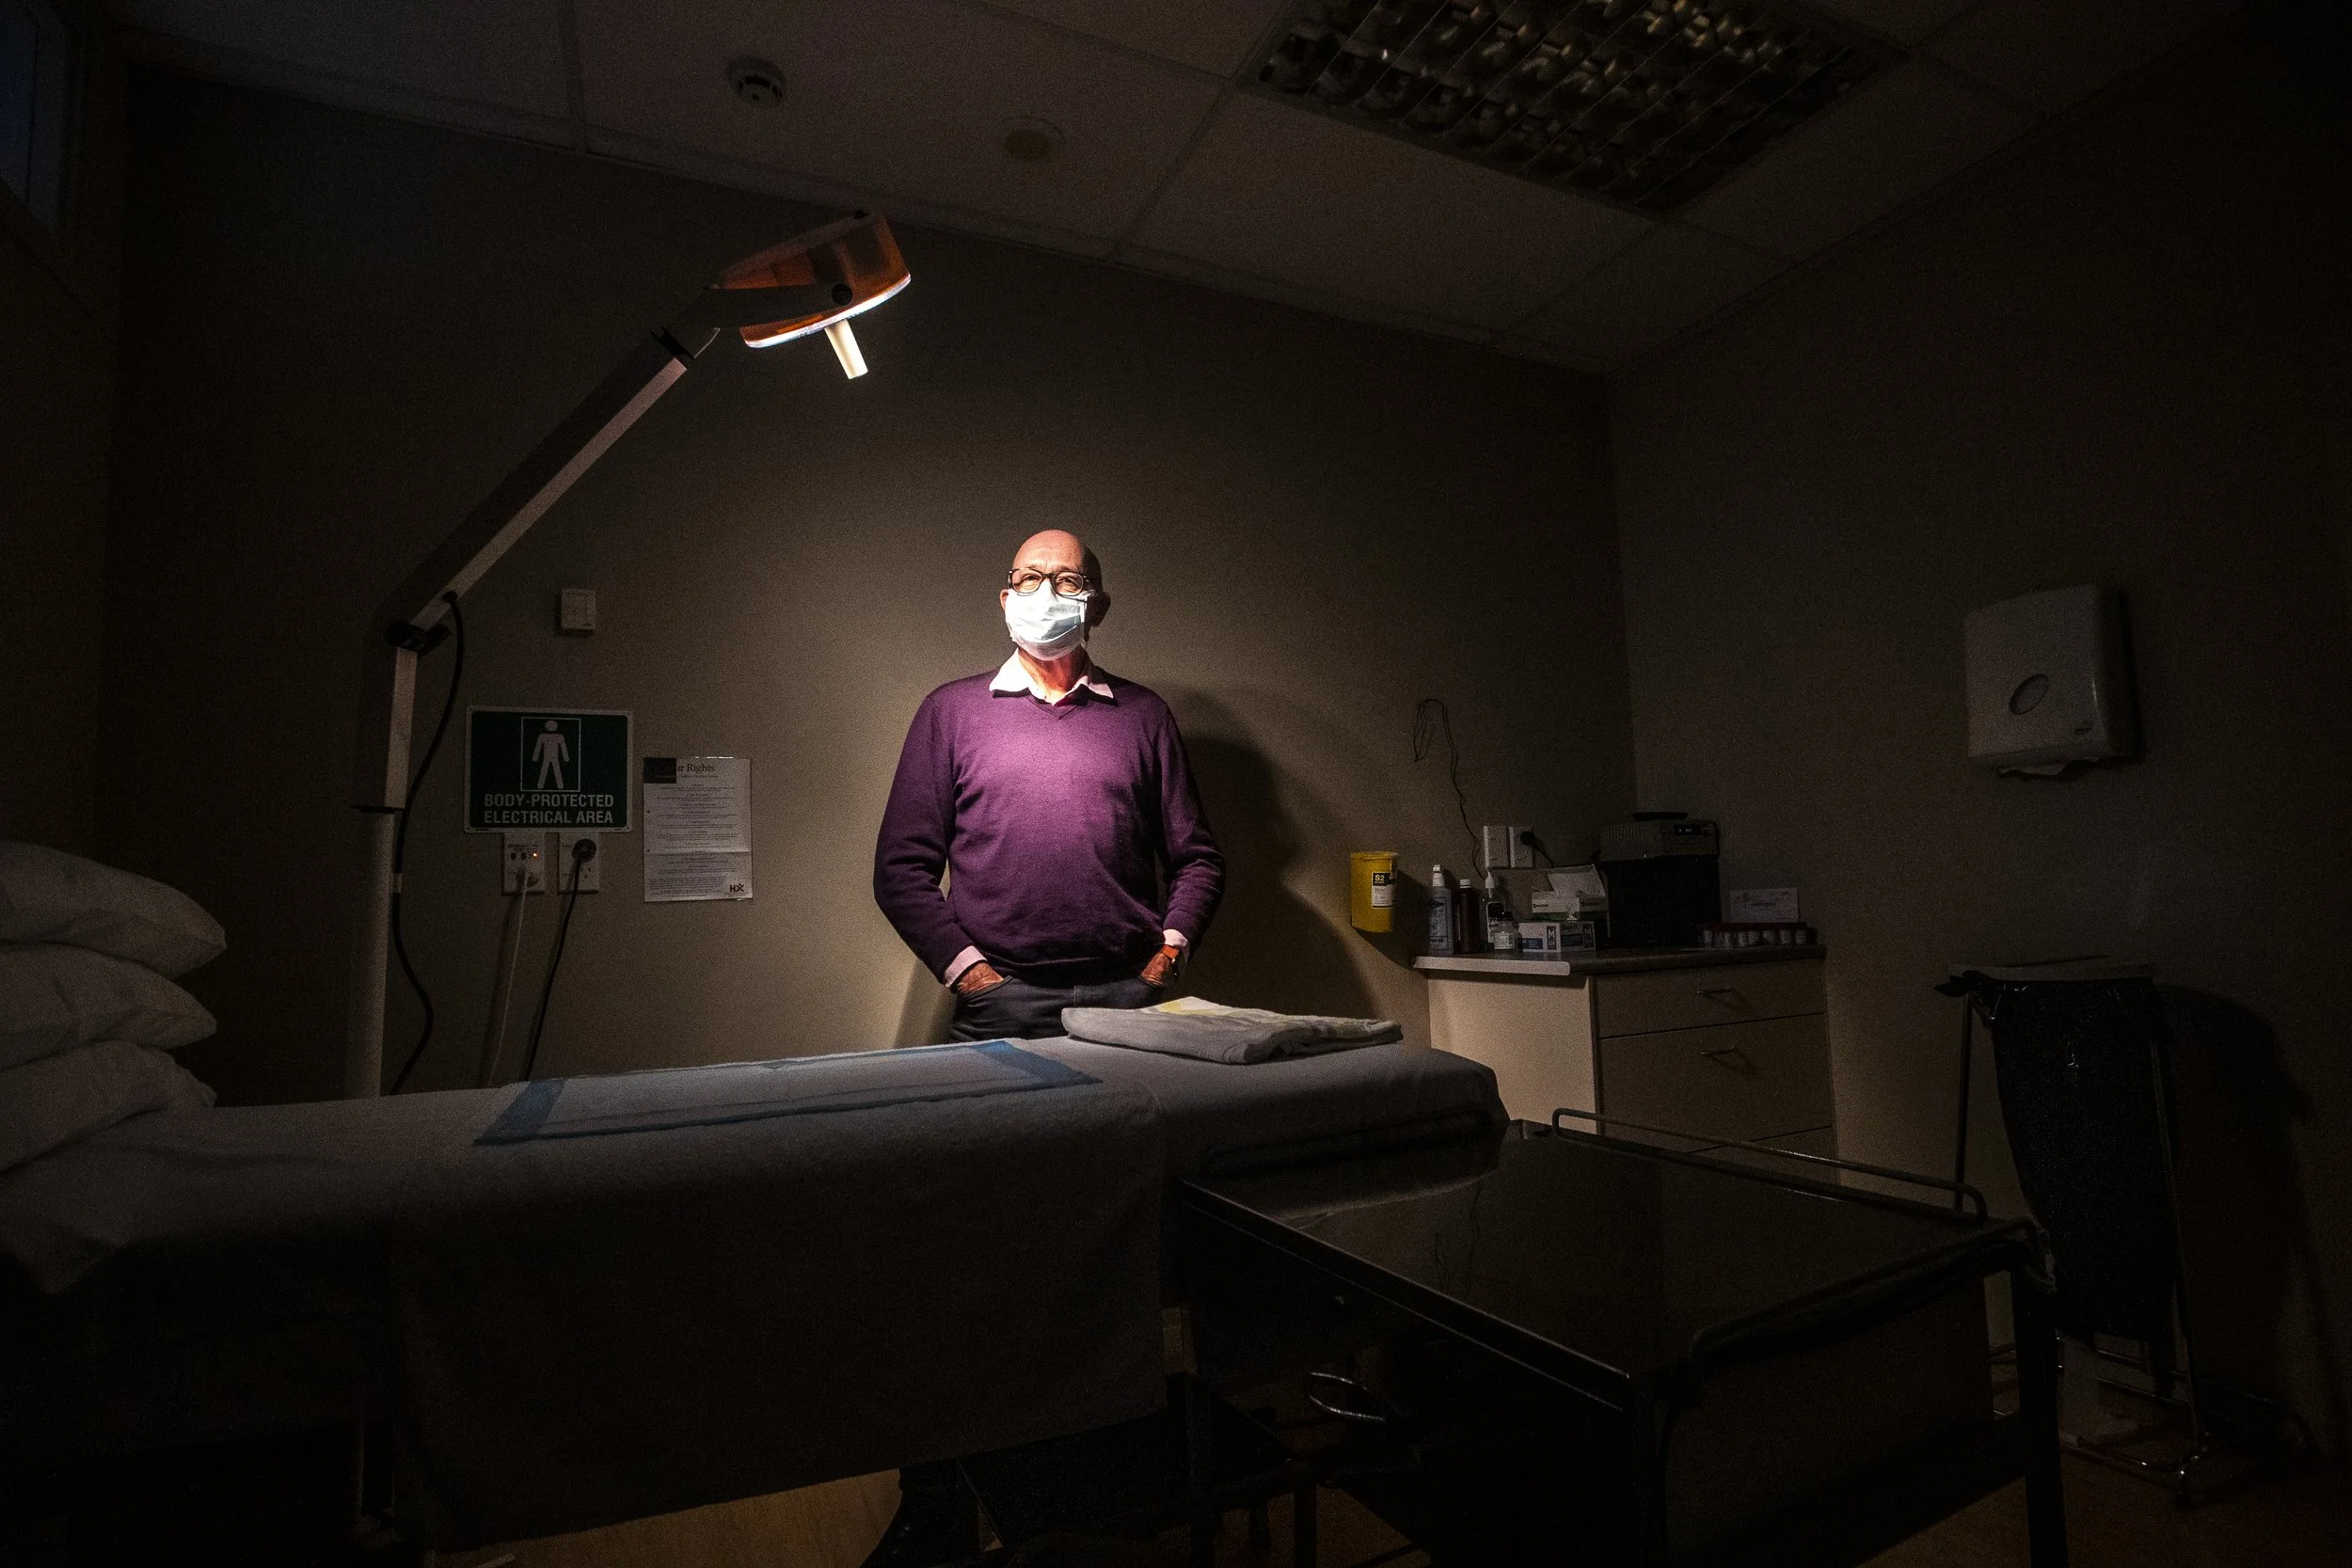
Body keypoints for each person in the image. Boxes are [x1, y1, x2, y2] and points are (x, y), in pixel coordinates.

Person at [862, 529, 1222, 1567]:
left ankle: (1101, 1482)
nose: (1044, 593)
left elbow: (1198, 855)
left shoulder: (1141, 716)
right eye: (1027, 578)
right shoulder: (952, 712)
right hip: (997, 1015)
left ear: (1096, 601)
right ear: (1002, 596)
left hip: (1130, 1012)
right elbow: (899, 869)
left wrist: (1165, 951)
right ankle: (940, 1495)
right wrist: (975, 974)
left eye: (1064, 579)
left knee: (1121, 1240)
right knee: (976, 1251)